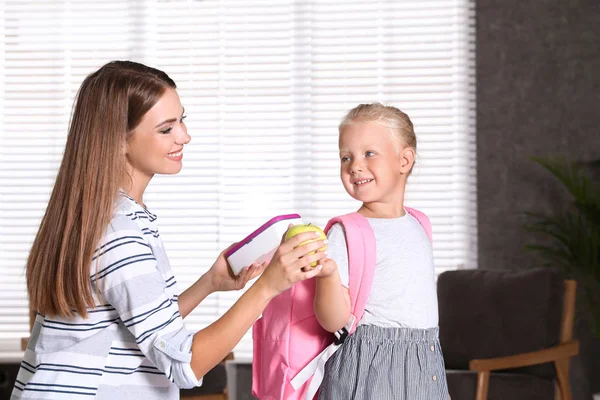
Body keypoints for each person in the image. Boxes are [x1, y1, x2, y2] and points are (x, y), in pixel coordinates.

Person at [11, 60, 326, 399]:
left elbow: (136, 325)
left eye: (182, 121)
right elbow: (184, 364)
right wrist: (267, 287)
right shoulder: (119, 235)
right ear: (118, 140)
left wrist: (209, 283)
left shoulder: (105, 218)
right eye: (166, 129)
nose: (185, 137)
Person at [313, 103, 450, 399]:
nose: (354, 165)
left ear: (404, 160)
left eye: (368, 153)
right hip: (369, 371)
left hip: (424, 363)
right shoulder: (346, 232)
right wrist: (327, 276)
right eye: (345, 157)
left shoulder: (419, 223)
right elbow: (333, 322)